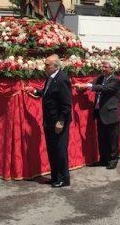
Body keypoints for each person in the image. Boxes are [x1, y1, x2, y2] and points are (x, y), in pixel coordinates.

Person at [31, 54, 71, 187]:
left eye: (47, 65)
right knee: (52, 149)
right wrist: (36, 91)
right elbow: (47, 93)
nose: (45, 67)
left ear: (55, 66)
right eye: (45, 64)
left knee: (60, 150)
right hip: (49, 120)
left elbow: (66, 104)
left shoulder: (62, 79)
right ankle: (55, 176)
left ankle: (64, 178)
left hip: (58, 121)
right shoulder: (50, 78)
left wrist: (61, 121)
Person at [74, 61, 120, 169]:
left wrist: (88, 85)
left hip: (111, 114)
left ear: (112, 69)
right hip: (100, 113)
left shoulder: (115, 80)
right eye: (102, 66)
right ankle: (103, 159)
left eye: (105, 67)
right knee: (102, 138)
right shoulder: (101, 78)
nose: (103, 68)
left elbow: (104, 88)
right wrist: (82, 86)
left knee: (113, 139)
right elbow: (92, 83)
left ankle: (113, 160)